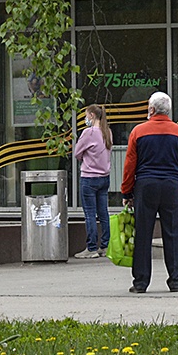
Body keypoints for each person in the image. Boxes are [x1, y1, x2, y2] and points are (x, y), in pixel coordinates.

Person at [122, 91, 178, 294]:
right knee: (173, 234)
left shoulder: (138, 132)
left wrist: (127, 192)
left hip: (145, 186)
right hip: (172, 186)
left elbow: (130, 165)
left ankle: (140, 283)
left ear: (151, 109)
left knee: (143, 235)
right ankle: (176, 281)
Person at [73, 104, 112, 259]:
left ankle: (91, 248)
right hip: (104, 177)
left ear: (92, 115)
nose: (85, 118)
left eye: (86, 115)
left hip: (89, 177)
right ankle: (105, 245)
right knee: (103, 213)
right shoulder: (107, 132)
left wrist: (85, 158)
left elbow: (77, 152)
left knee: (90, 214)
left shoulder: (88, 132)